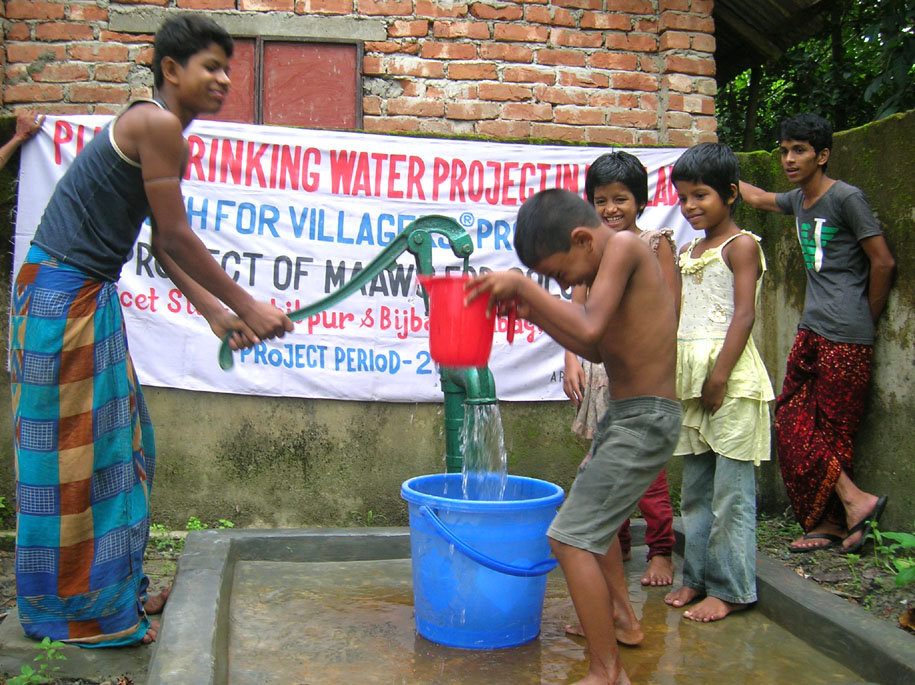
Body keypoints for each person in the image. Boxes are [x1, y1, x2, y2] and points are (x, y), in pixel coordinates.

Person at [11, 13, 293, 647]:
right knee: (81, 463)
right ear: (171, 70)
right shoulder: (160, 124)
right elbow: (176, 238)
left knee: (123, 449)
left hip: (72, 296)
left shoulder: (157, 126)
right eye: (210, 67)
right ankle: (82, 617)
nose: (223, 79)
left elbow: (163, 249)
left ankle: (115, 594)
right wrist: (248, 307)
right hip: (66, 301)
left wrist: (217, 314)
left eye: (228, 67)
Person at [466, 188, 680, 685]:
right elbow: (600, 350)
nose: (563, 284)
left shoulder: (625, 247)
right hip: (626, 417)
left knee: (569, 540)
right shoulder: (608, 263)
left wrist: (524, 290)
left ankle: (607, 673)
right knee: (586, 525)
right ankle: (623, 620)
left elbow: (587, 332)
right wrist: (534, 311)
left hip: (644, 419)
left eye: (559, 274)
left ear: (583, 239)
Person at [739, 113, 895, 554]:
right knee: (791, 421)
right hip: (812, 329)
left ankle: (838, 516)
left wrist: (867, 317)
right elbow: (759, 198)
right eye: (785, 150)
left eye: (800, 150)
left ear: (822, 155)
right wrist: (714, 169)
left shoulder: (847, 198)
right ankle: (845, 507)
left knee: (831, 432)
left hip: (847, 334)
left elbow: (882, 262)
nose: (789, 159)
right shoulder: (798, 200)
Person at [662, 142, 774, 623]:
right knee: (696, 492)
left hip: (731, 382)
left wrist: (720, 376)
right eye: (684, 197)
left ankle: (731, 590)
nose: (691, 207)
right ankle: (698, 580)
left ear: (731, 194)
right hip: (694, 382)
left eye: (701, 195)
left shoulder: (741, 245)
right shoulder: (687, 250)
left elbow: (743, 315)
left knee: (732, 494)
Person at [563, 151, 679, 588]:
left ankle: (661, 550)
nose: (611, 209)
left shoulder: (653, 245)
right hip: (597, 370)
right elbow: (577, 308)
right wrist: (571, 360)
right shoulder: (588, 252)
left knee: (645, 473)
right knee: (602, 469)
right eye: (601, 200)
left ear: (641, 201)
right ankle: (618, 547)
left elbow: (670, 313)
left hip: (640, 376)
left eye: (621, 199)